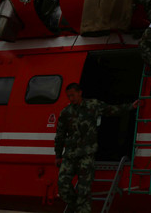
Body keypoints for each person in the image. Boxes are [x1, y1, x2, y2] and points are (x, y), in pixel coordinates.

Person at [54, 83, 140, 213]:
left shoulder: (93, 105)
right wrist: (58, 155)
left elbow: (111, 110)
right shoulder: (66, 112)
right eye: (69, 96)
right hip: (70, 155)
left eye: (73, 95)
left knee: (84, 190)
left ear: (80, 93)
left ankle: (82, 210)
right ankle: (77, 207)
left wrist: (130, 106)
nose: (71, 98)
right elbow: (60, 135)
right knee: (63, 186)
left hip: (86, 154)